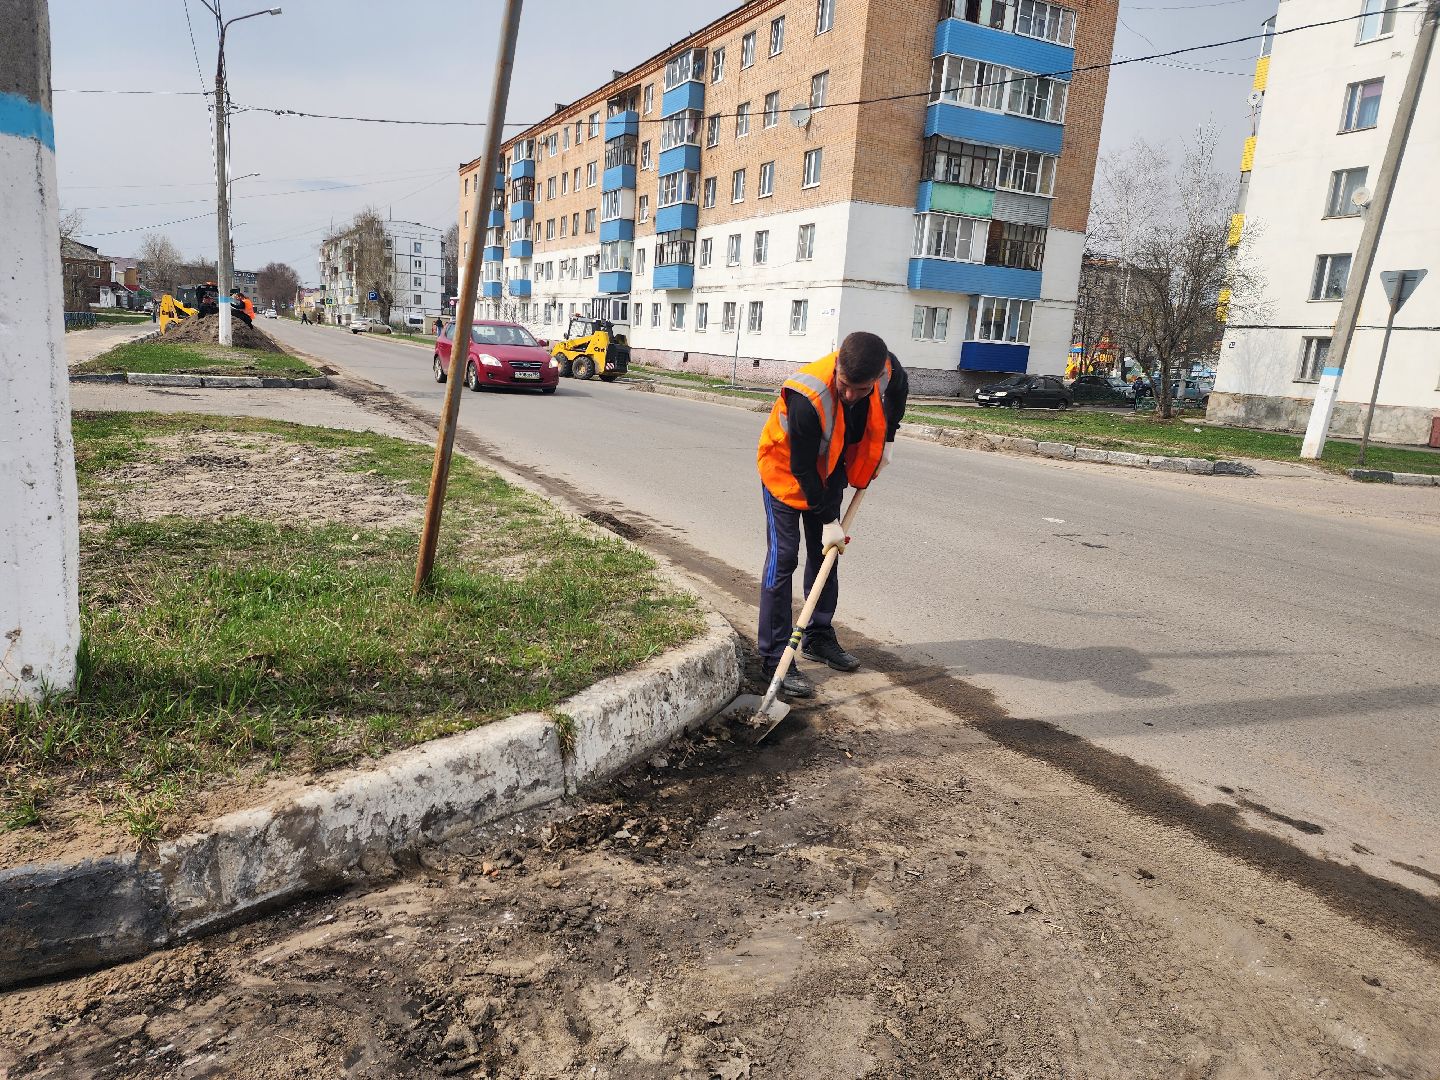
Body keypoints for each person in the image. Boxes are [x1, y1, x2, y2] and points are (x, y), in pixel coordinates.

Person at [755, 331, 909, 698]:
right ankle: (774, 657)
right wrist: (828, 521)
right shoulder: (806, 397)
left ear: (876, 376)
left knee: (826, 556)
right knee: (784, 558)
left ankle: (818, 637)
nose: (851, 395)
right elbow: (803, 468)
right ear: (837, 365)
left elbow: (900, 388)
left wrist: (889, 439)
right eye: (845, 385)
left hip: (831, 467)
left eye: (862, 389)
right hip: (786, 474)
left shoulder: (886, 368)